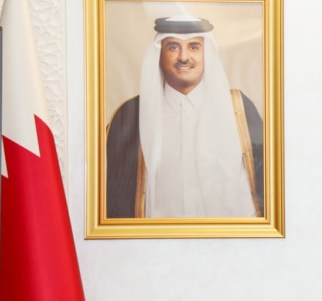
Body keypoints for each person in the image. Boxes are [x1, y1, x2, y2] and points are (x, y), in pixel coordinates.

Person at [106, 13, 263, 218]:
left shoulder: (239, 109)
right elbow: (115, 197)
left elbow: (263, 188)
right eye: (173, 47)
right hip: (153, 244)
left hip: (226, 244)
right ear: (159, 54)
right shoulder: (129, 115)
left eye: (194, 47)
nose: (184, 57)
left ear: (207, 53)